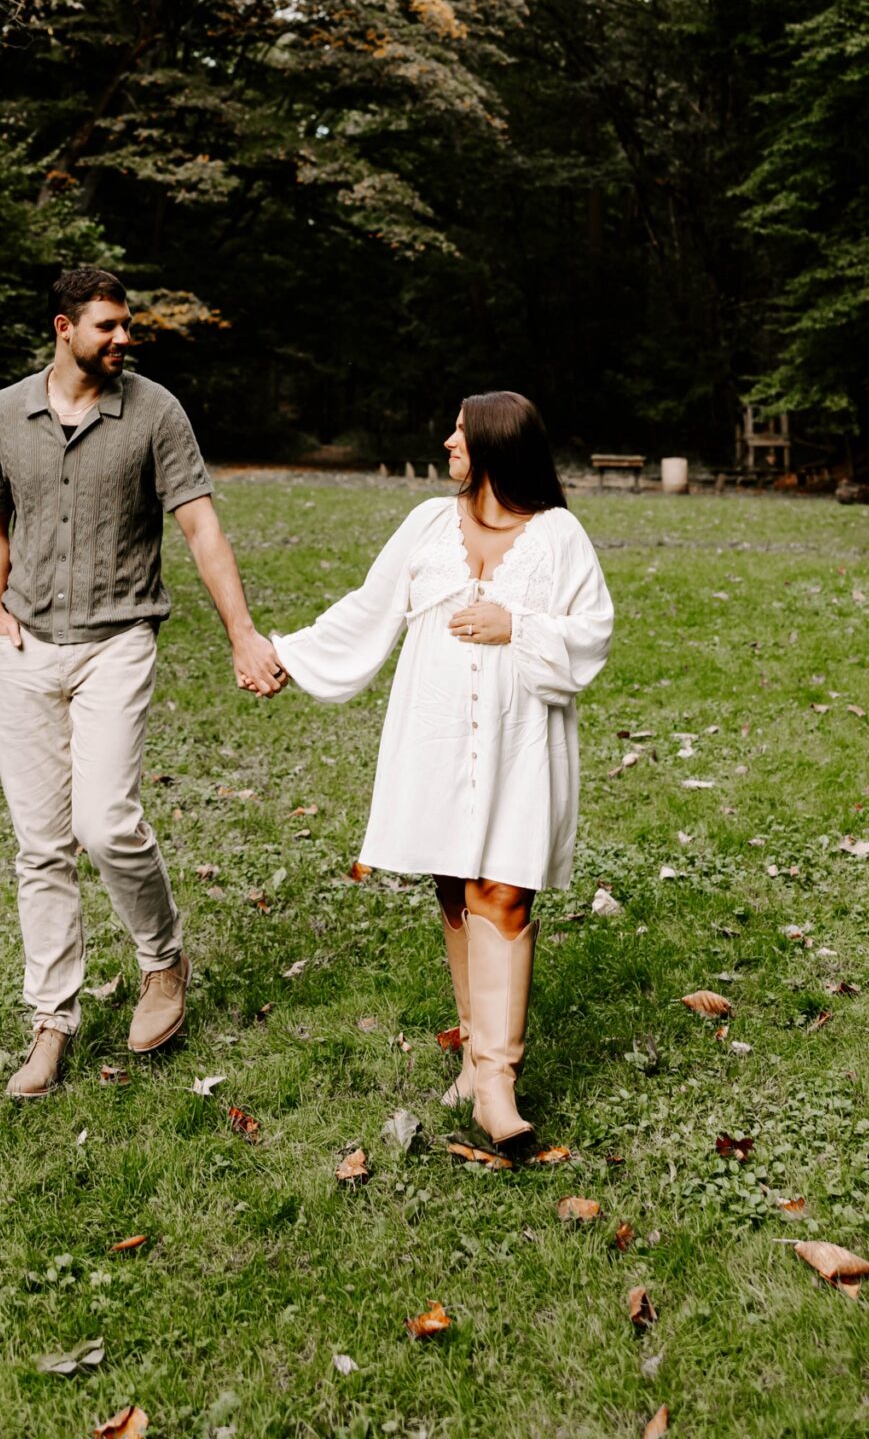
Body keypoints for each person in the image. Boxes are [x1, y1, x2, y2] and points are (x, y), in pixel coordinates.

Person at [0, 265, 285, 1100]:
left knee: (105, 825)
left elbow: (200, 525)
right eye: (106, 326)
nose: (123, 339)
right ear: (63, 327)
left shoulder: (155, 412)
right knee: (41, 846)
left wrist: (242, 633)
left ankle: (162, 958)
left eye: (126, 326)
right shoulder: (4, 413)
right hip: (29, 648)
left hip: (118, 642)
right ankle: (50, 1023)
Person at [270, 392, 613, 1162]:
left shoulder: (558, 535)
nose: (449, 439)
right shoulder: (429, 521)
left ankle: (497, 1085)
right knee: (457, 885)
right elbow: (370, 609)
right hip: (432, 737)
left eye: (462, 429)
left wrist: (516, 624)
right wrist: (285, 656)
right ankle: (470, 1061)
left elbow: (593, 633)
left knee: (506, 892)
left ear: (496, 441)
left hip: (520, 741)